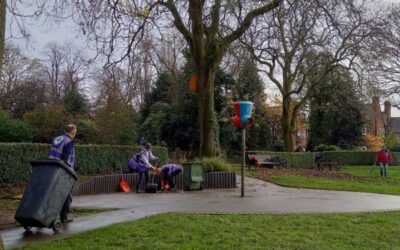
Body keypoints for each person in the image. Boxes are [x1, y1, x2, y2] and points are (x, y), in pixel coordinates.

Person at [48, 124, 77, 223]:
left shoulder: (57, 138)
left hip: (52, 168)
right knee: (67, 193)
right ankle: (64, 216)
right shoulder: (69, 141)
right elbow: (65, 158)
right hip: (64, 171)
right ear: (73, 131)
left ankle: (50, 214)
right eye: (75, 131)